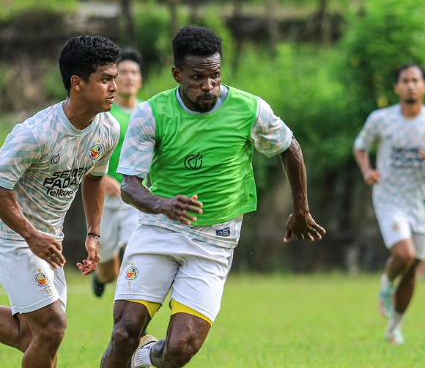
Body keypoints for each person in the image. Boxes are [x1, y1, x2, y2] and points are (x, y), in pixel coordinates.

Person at [100, 25, 326, 368]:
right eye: (197, 77)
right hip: (158, 231)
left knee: (180, 349)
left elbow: (289, 147)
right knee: (124, 332)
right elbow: (129, 185)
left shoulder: (248, 109)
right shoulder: (153, 113)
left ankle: (146, 356)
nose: (208, 86)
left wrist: (300, 209)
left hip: (213, 242)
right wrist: (164, 205)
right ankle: (136, 347)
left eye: (215, 75)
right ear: (177, 74)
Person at [0, 35, 121, 368]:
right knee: (53, 328)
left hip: (47, 240)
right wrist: (30, 235)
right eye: (106, 79)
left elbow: (94, 178)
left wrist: (94, 234)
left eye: (115, 78)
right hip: (12, 235)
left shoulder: (108, 130)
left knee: (34, 337)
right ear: (77, 83)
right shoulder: (35, 134)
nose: (115, 86)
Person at [353, 63, 425, 345]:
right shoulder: (381, 119)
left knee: (412, 268)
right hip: (389, 197)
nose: (411, 85)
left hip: (422, 203)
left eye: (416, 80)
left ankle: (394, 327)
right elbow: (361, 145)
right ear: (397, 87)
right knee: (404, 254)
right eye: (405, 80)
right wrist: (367, 170)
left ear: (424, 86)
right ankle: (386, 284)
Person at [93, 48, 144, 298]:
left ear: (140, 79)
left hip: (137, 198)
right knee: (108, 271)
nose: (128, 77)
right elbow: (83, 154)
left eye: (134, 72)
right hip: (105, 198)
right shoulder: (102, 114)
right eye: (122, 72)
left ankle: (132, 317)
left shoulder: (149, 113)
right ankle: (100, 275)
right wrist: (102, 177)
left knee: (133, 250)